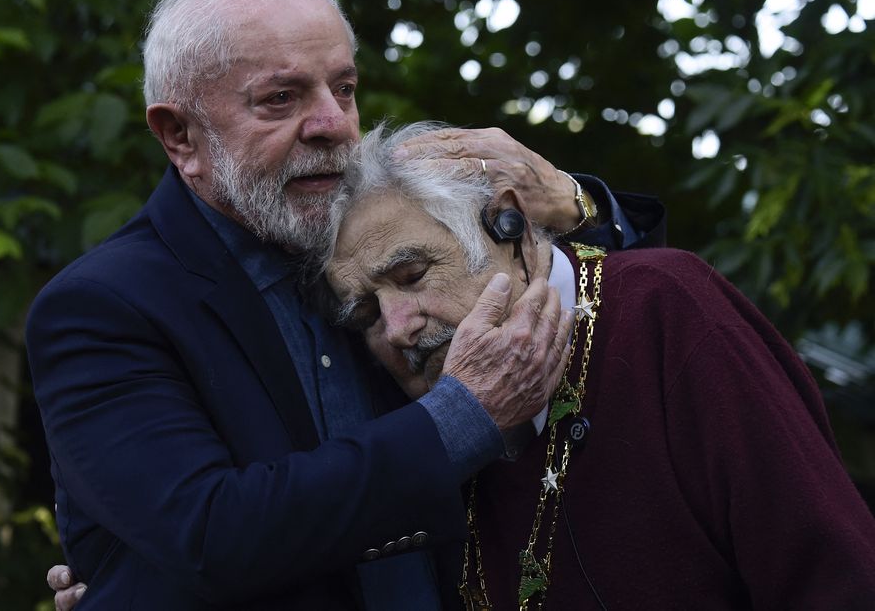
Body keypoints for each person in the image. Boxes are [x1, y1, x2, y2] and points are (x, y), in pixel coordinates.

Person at [29, 0, 664, 611]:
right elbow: (212, 535)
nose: (334, 124)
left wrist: (578, 204)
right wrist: (461, 416)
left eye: (345, 89)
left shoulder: (386, 237)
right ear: (180, 135)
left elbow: (609, 328)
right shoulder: (100, 307)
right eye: (281, 98)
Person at [318, 121, 875, 610]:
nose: (396, 327)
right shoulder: (412, 422)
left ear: (508, 228)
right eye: (366, 313)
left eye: (413, 276)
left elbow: (833, 574)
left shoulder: (665, 305)